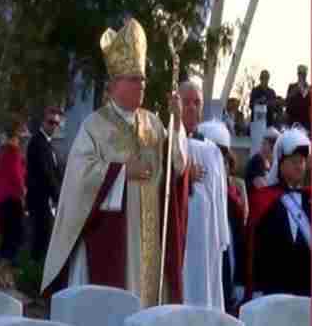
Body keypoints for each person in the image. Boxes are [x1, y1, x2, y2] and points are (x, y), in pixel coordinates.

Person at [41, 18, 188, 307]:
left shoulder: (155, 124)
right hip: (109, 244)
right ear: (114, 84)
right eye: (135, 78)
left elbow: (178, 168)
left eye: (143, 78)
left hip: (150, 245)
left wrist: (178, 121)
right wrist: (121, 172)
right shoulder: (94, 127)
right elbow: (78, 180)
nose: (142, 84)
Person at [179, 82, 230, 312]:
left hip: (207, 238)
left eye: (196, 102)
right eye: (185, 102)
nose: (191, 107)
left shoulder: (212, 150)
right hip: (180, 236)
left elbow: (220, 197)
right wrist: (185, 174)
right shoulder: (166, 141)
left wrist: (221, 235)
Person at [245, 128, 310, 298]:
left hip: (305, 293)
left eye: (303, 161)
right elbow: (254, 248)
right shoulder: (264, 199)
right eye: (294, 161)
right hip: (273, 291)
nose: (299, 166)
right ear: (281, 164)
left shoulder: (309, 200)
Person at [197, 120, 246, 312]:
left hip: (227, 290)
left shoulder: (232, 202)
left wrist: (239, 281)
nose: (220, 166)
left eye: (224, 161)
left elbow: (237, 243)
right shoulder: (194, 199)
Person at [0, 117, 29, 288]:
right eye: (22, 131)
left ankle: (4, 277)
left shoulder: (2, 151)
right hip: (12, 200)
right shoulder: (13, 151)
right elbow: (16, 176)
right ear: (17, 132)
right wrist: (24, 193)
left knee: (8, 238)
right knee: (16, 237)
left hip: (1, 200)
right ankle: (1, 269)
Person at [26, 106, 63, 262]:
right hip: (40, 199)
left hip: (46, 200)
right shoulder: (38, 142)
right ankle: (35, 276)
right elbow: (45, 173)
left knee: (45, 239)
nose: (53, 126)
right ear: (43, 122)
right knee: (41, 240)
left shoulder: (47, 144)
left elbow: (54, 172)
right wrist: (58, 195)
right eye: (50, 122)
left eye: (56, 123)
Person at [244, 126, 280, 196]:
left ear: (273, 146)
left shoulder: (273, 162)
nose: (261, 147)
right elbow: (261, 187)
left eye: (264, 144)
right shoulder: (257, 160)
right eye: (262, 143)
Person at [286, 64, 311, 132]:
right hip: (293, 120)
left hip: (305, 121)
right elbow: (287, 100)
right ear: (298, 74)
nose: (302, 76)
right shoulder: (291, 86)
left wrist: (307, 90)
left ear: (306, 75)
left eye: (304, 74)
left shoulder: (309, 88)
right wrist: (295, 90)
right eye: (300, 73)